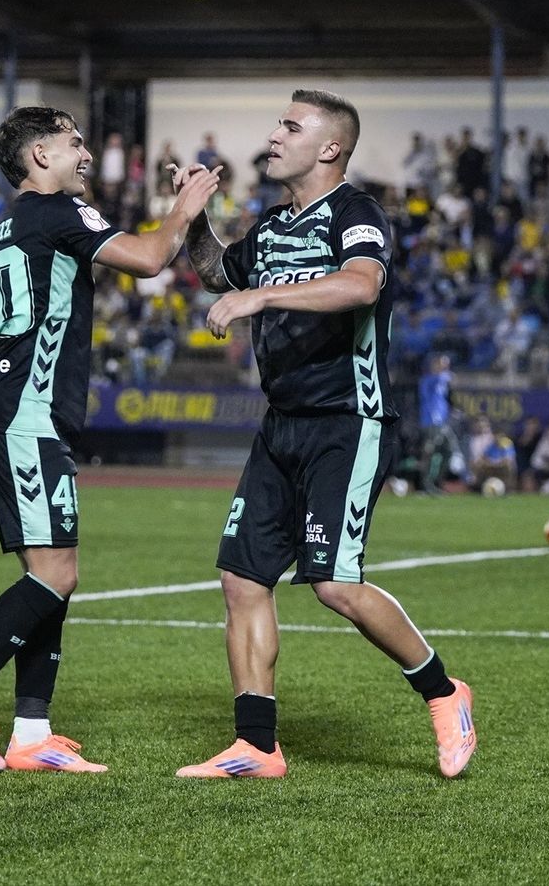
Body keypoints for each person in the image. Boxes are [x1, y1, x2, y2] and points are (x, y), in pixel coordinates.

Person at [180, 89, 476, 779]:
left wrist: (261, 295)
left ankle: (444, 692)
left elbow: (361, 285)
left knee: (335, 585)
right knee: (242, 579)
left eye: (290, 126)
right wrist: (194, 223)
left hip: (350, 422)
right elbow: (213, 272)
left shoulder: (356, 213)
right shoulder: (274, 224)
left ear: (330, 147)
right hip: (280, 425)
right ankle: (256, 746)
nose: (275, 135)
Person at [0, 106, 220, 774]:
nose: (85, 155)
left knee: (50, 575)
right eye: (75, 144)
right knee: (57, 573)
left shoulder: (0, 233)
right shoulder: (58, 213)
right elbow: (146, 258)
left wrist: (6, 366)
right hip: (27, 414)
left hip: (16, 409)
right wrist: (185, 207)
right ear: (40, 158)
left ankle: (31, 733)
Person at [417, 353, 459, 496]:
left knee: (449, 450)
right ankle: (425, 486)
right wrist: (446, 373)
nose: (444, 367)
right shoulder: (427, 380)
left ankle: (436, 482)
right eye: (441, 364)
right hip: (431, 421)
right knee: (429, 452)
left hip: (442, 422)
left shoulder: (442, 382)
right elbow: (445, 377)